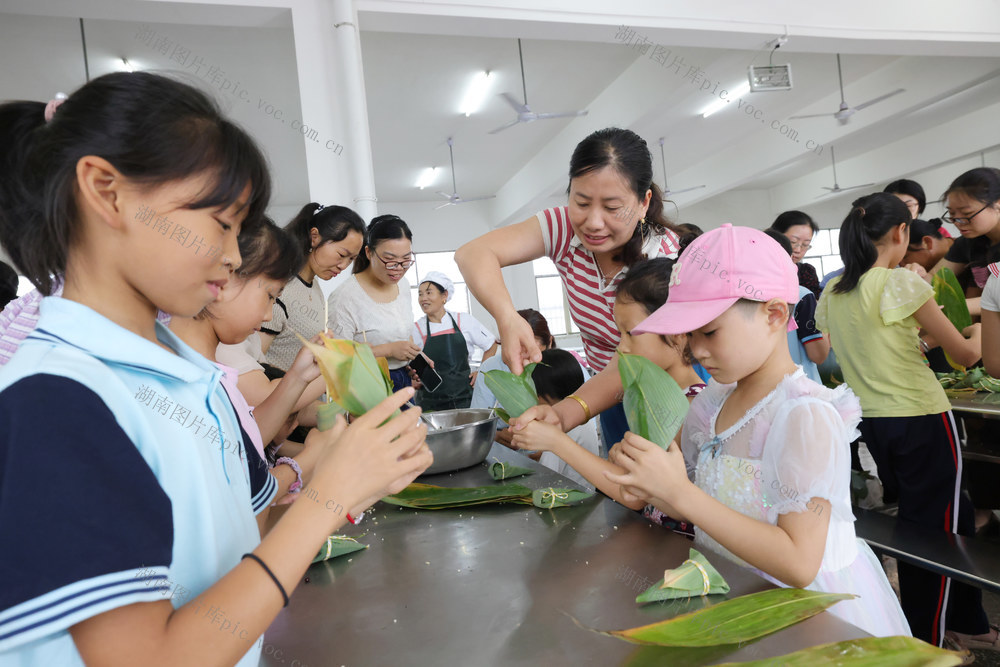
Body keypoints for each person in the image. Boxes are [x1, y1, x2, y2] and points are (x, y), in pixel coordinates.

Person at [0, 72, 432, 666]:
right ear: (106, 192)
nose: (232, 256)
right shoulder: (57, 396)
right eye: (219, 222)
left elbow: (236, 540)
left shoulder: (189, 374)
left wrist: (340, 464)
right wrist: (328, 499)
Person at [604, 224, 910, 639]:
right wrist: (655, 480)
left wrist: (680, 494)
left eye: (710, 331)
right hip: (737, 593)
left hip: (801, 613)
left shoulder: (804, 415)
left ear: (774, 314)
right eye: (690, 333)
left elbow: (799, 563)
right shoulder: (713, 402)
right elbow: (704, 506)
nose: (698, 349)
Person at [816, 193, 993, 648]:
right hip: (922, 418)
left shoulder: (834, 292)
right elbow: (967, 354)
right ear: (901, 234)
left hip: (874, 424)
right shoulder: (899, 284)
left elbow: (884, 342)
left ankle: (967, 624)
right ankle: (927, 638)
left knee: (939, 524)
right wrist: (983, 325)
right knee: (937, 534)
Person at [457, 127, 683, 448]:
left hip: (666, 400)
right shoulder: (563, 227)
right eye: (581, 201)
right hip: (608, 399)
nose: (593, 221)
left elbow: (634, 362)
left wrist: (565, 413)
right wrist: (507, 319)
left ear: (644, 202)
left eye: (612, 206)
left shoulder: (663, 261)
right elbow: (472, 254)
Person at [170, 218, 330, 531]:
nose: (269, 314)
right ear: (223, 278)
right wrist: (311, 459)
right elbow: (243, 497)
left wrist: (297, 376)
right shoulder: (186, 382)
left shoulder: (211, 371)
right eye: (270, 295)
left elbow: (242, 442)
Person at [511, 258, 704, 515]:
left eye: (631, 334)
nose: (621, 348)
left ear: (678, 332)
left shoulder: (688, 405)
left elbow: (634, 493)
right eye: (620, 334)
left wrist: (558, 443)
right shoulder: (650, 394)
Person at [260, 203, 365, 373]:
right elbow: (255, 363)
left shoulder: (314, 285)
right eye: (342, 255)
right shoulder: (280, 288)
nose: (344, 266)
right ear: (314, 237)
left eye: (351, 259)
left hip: (307, 397)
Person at [328, 215, 419, 392]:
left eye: (406, 259)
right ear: (369, 253)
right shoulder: (345, 296)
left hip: (403, 382)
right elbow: (338, 358)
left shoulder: (403, 285)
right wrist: (388, 350)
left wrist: (413, 357)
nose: (399, 268)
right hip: (367, 387)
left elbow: (403, 334)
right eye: (390, 260)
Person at [411, 271, 497, 411]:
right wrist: (413, 377)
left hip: (465, 400)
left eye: (428, 293)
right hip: (430, 404)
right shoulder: (417, 328)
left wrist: (481, 372)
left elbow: (491, 344)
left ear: (444, 295)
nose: (423, 298)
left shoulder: (463, 320)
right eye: (420, 294)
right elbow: (410, 360)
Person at [527, 348, 602, 491]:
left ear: (546, 392)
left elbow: (545, 479)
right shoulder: (582, 421)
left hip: (565, 500)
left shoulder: (558, 428)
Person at [763, 229, 829, 383]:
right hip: (800, 388)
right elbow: (818, 355)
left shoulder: (743, 296)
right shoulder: (800, 295)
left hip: (761, 390)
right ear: (790, 258)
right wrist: (825, 325)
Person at [939, 168, 1000, 308]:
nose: (957, 222)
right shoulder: (968, 242)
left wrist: (956, 306)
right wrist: (918, 273)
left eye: (967, 213)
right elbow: (936, 277)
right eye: (952, 214)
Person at [771, 210, 822, 298]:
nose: (798, 250)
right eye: (793, 242)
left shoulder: (807, 272)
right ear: (775, 236)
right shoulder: (757, 269)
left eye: (805, 245)